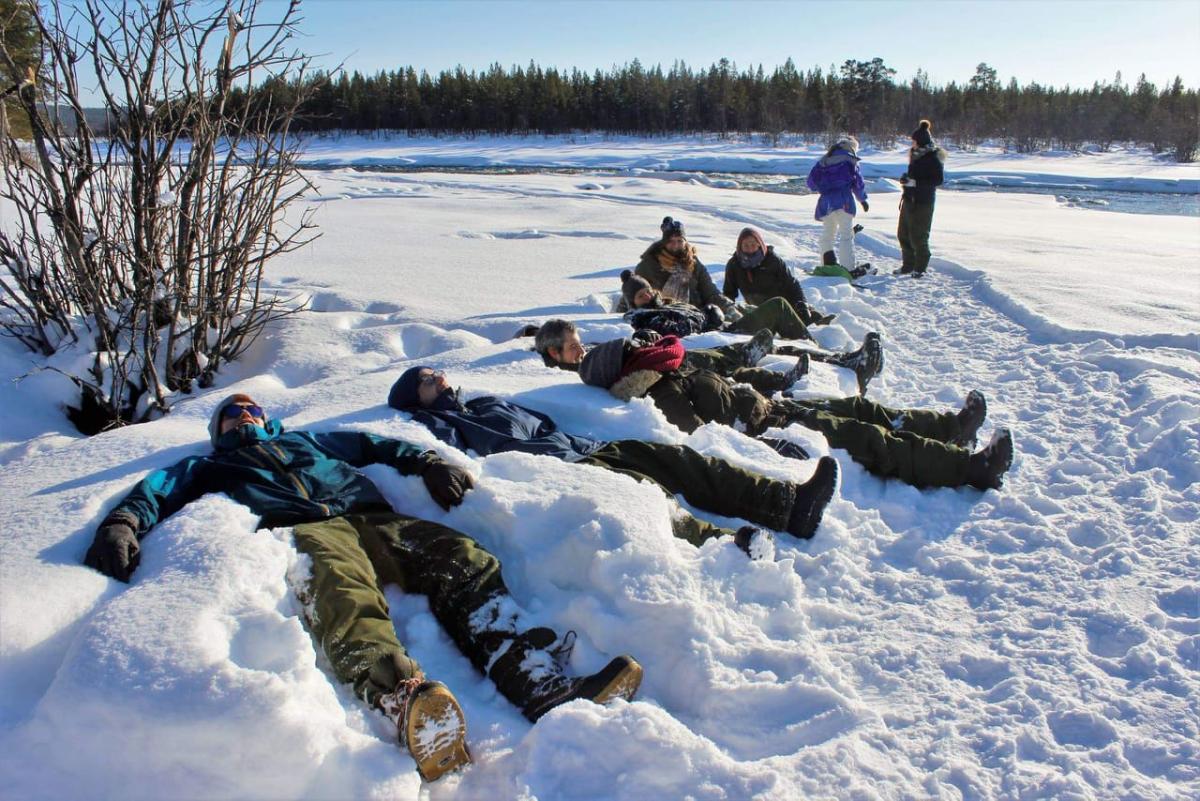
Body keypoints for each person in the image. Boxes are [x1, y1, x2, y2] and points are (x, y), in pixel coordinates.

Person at [83, 394, 643, 782]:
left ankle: (538, 680)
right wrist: (124, 522)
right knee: (341, 592)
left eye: (252, 410)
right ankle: (402, 700)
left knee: (462, 557)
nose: (245, 417)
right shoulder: (207, 466)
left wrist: (425, 460)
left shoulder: (309, 441)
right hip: (308, 527)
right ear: (220, 432)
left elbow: (372, 443)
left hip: (370, 516)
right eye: (233, 416)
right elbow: (156, 489)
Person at [387, 366, 840, 550]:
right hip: (564, 471)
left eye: (437, 372)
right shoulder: (442, 427)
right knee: (652, 501)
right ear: (417, 399)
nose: (440, 378)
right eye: (428, 379)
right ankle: (728, 546)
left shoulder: (484, 403)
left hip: (584, 447)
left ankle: (788, 504)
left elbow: (543, 424)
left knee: (681, 460)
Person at [540, 330, 1014, 491]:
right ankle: (972, 468)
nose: (647, 346)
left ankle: (950, 427)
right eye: (636, 347)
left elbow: (721, 385)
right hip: (768, 427)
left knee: (855, 406)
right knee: (866, 439)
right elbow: (706, 434)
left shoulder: (669, 372)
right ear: (626, 365)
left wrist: (765, 387)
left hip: (770, 407)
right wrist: (759, 428)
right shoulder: (655, 394)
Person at [536, 315, 883, 397]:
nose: (581, 350)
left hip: (675, 359)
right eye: (572, 346)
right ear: (554, 352)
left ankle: (842, 361)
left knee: (763, 350)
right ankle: (763, 369)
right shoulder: (574, 379)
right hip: (679, 371)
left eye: (579, 342)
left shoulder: (583, 362)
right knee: (740, 363)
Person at [630, 217, 815, 340]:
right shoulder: (649, 266)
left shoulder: (693, 263)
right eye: (671, 241)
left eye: (680, 241)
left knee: (761, 310)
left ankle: (804, 332)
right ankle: (804, 343)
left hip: (708, 317)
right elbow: (633, 296)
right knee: (777, 306)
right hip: (691, 327)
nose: (676, 245)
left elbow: (712, 294)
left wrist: (729, 308)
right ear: (664, 242)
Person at [722, 227, 835, 327]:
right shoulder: (734, 264)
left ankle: (819, 324)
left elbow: (792, 284)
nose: (750, 248)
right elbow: (729, 293)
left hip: (784, 305)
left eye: (753, 244)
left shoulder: (772, 260)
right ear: (740, 247)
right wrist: (727, 310)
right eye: (745, 245)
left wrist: (801, 304)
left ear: (759, 244)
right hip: (758, 309)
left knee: (806, 319)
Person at [806, 136, 869, 274]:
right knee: (846, 234)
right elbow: (858, 183)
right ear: (853, 147)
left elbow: (811, 182)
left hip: (825, 202)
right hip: (843, 201)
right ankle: (848, 267)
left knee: (828, 233)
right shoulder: (850, 159)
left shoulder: (824, 159)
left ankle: (826, 264)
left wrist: (824, 188)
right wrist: (863, 199)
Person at [897, 120, 946, 277]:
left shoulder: (933, 157)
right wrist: (906, 180)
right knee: (903, 234)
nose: (913, 144)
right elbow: (914, 175)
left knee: (919, 236)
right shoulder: (915, 154)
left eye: (914, 141)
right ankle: (908, 265)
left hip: (923, 201)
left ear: (921, 141)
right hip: (909, 199)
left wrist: (916, 183)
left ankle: (920, 268)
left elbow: (937, 180)